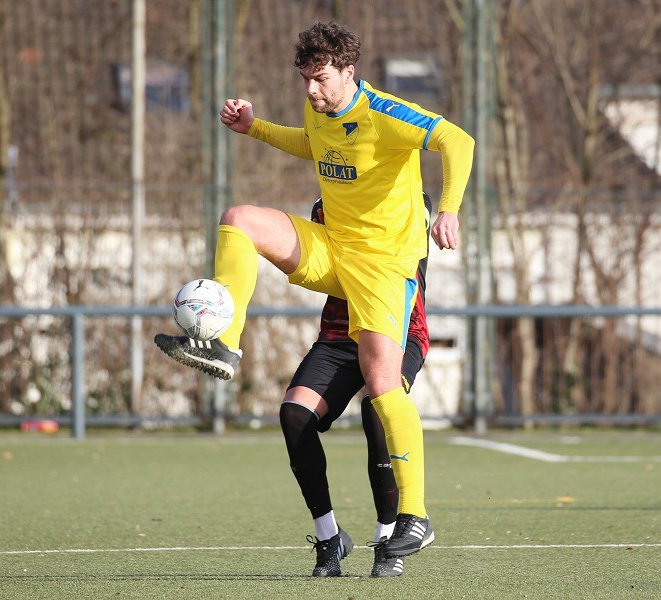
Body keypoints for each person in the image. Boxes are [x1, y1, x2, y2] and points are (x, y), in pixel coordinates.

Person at [155, 22, 474, 559]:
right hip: (333, 246)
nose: (311, 89)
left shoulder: (384, 114)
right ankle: (224, 341)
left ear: (349, 72)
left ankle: (414, 516)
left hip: (381, 265)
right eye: (305, 78)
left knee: (381, 385)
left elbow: (456, 140)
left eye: (321, 78)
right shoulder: (319, 107)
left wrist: (448, 210)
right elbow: (313, 146)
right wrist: (255, 127)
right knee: (239, 219)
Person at [285, 195, 431, 578]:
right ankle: (329, 536)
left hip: (396, 330)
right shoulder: (324, 205)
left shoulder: (413, 201)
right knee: (294, 415)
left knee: (377, 407)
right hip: (338, 335)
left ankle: (388, 538)